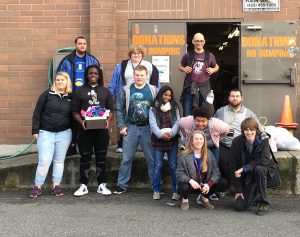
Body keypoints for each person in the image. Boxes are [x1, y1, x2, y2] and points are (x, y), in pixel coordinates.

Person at [109, 44, 160, 153]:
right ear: (130, 54)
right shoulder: (122, 65)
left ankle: (145, 145)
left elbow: (156, 86)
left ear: (142, 55)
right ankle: (121, 144)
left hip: (144, 97)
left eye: (139, 53)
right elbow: (114, 81)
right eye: (134, 53)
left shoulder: (150, 66)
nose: (136, 55)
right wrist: (111, 95)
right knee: (126, 119)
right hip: (127, 95)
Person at [114, 65, 156, 194]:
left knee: (152, 159)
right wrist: (121, 126)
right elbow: (119, 108)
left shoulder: (154, 90)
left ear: (146, 76)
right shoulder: (126, 90)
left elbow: (159, 109)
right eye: (137, 75)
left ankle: (156, 186)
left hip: (148, 129)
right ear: (133, 75)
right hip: (130, 128)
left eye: (142, 75)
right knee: (126, 158)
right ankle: (121, 185)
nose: (139, 77)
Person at [72, 65, 114, 197]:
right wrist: (81, 121)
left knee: (101, 158)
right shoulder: (79, 91)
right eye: (90, 73)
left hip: (101, 130)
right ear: (86, 75)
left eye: (95, 73)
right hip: (85, 130)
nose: (93, 75)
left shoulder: (105, 91)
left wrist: (108, 120)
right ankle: (83, 185)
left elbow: (111, 110)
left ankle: (102, 185)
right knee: (85, 157)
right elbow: (74, 111)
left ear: (99, 75)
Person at [30, 72, 73, 198]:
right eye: (58, 80)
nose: (60, 82)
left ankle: (56, 186)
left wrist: (74, 136)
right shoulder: (46, 94)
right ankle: (37, 186)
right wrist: (35, 130)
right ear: (55, 81)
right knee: (44, 160)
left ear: (67, 82)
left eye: (62, 80)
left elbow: (73, 117)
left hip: (64, 134)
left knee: (59, 161)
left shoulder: (71, 97)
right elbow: (37, 113)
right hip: (46, 133)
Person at [56, 36, 100, 156]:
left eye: (84, 43)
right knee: (71, 121)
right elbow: (59, 77)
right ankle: (71, 146)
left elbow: (99, 78)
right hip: (71, 96)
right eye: (80, 43)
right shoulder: (67, 60)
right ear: (75, 44)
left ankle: (87, 148)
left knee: (88, 120)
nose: (82, 45)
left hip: (88, 96)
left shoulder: (93, 60)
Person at [230, 118, 277, 216]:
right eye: (246, 130)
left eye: (252, 130)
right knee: (239, 206)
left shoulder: (263, 140)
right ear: (243, 131)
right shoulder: (236, 142)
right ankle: (255, 193)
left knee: (259, 169)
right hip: (248, 176)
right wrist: (238, 189)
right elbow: (233, 166)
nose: (249, 132)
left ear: (256, 130)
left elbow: (264, 161)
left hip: (263, 171)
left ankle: (264, 202)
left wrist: (245, 168)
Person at [214, 89, 260, 181]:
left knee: (240, 163)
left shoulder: (248, 113)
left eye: (237, 96)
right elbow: (212, 125)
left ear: (241, 98)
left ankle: (238, 186)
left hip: (240, 146)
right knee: (221, 162)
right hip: (224, 145)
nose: (235, 98)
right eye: (232, 96)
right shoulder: (221, 111)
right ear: (229, 98)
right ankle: (228, 185)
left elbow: (258, 128)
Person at [176, 130, 228, 210]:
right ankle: (185, 200)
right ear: (192, 141)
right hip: (191, 185)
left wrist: (209, 184)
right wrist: (190, 180)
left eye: (201, 139)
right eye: (196, 139)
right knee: (183, 185)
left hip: (204, 185)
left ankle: (204, 197)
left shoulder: (209, 153)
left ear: (204, 141)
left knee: (223, 182)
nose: (199, 141)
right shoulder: (183, 155)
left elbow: (216, 171)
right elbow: (179, 174)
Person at [149, 86, 180, 201]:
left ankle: (176, 191)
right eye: (165, 94)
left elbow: (178, 122)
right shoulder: (153, 108)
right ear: (161, 94)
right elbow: (152, 124)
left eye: (169, 95)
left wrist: (171, 134)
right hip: (158, 140)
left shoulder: (175, 107)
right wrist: (161, 135)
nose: (167, 97)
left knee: (173, 166)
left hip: (172, 140)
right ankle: (156, 190)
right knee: (158, 166)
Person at [178, 32, 219, 116]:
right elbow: (179, 65)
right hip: (190, 88)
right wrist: (184, 68)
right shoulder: (188, 55)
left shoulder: (209, 55)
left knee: (206, 113)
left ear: (204, 42)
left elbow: (216, 67)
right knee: (188, 114)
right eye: (196, 41)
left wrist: (212, 69)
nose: (199, 43)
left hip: (205, 89)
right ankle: (188, 129)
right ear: (193, 41)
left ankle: (203, 129)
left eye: (201, 41)